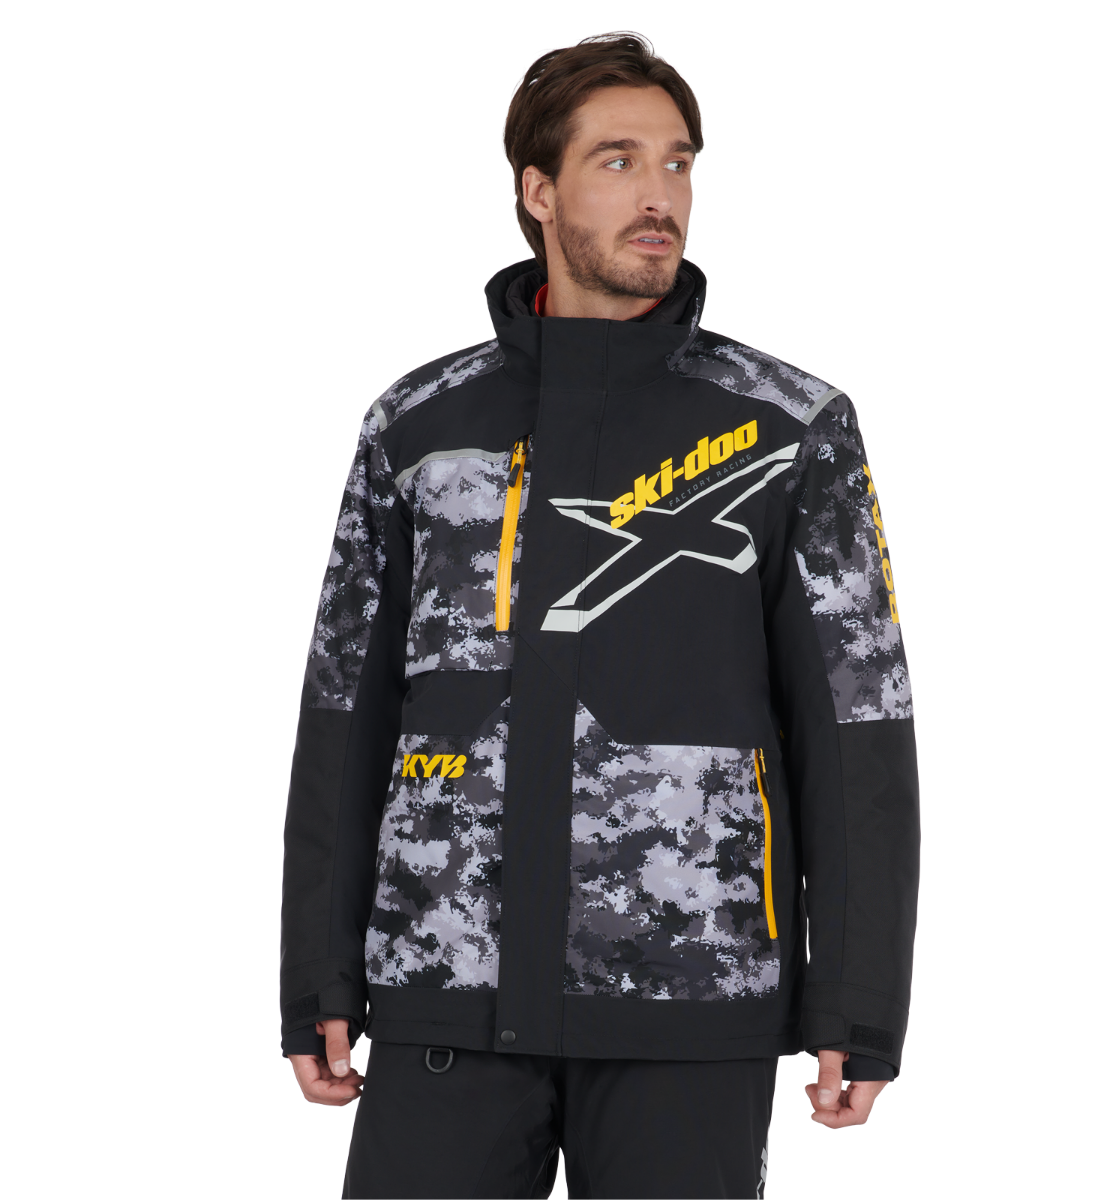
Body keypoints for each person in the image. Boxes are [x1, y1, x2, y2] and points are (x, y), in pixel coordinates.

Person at [280, 30, 920, 1199]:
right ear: (538, 190)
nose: (659, 195)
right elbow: (342, 714)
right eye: (619, 161)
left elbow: (857, 730)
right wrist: (317, 969)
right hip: (445, 979)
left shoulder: (790, 427)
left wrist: (859, 999)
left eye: (678, 163)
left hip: (691, 988)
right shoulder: (417, 426)